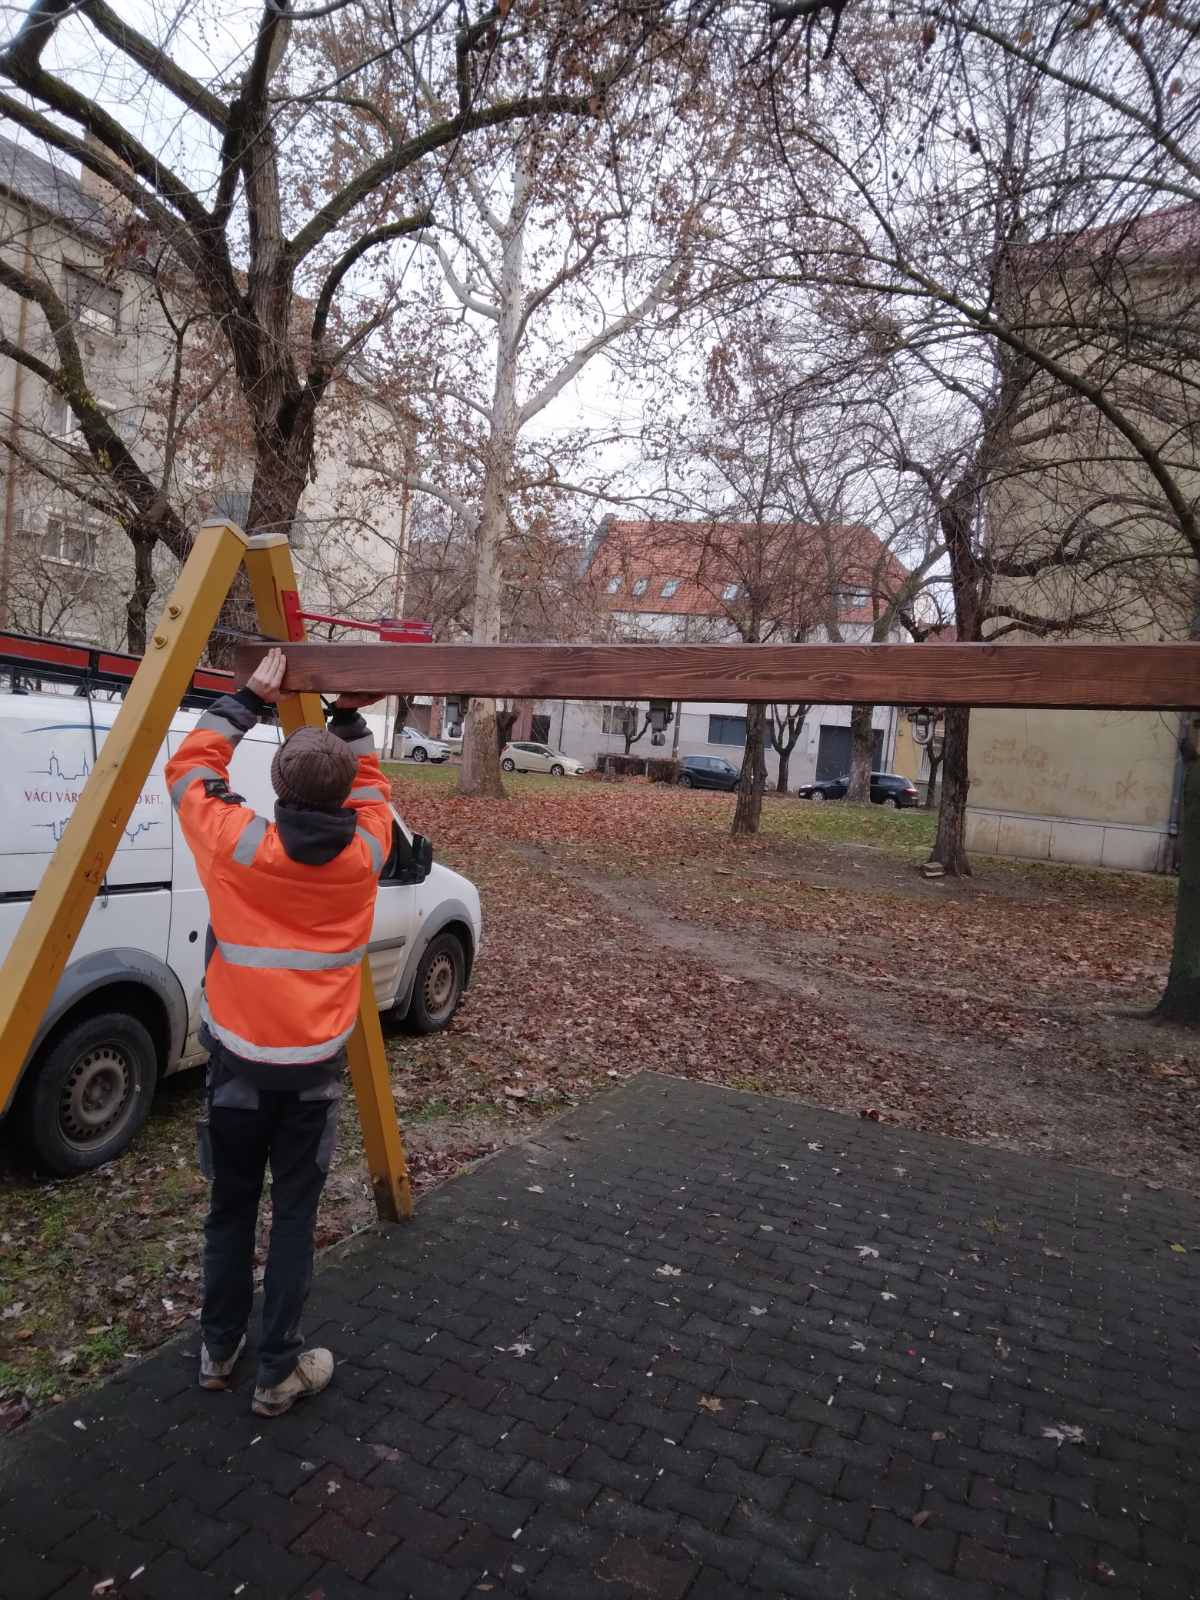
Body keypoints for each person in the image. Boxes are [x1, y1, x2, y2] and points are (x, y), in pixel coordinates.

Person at [164, 647, 390, 1417]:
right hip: (310, 1079)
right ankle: (277, 1373)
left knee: (229, 1209)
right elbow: (377, 790)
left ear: (276, 785)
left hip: (235, 1071)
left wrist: (244, 703)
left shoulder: (238, 843)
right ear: (346, 795)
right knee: (293, 1216)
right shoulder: (366, 852)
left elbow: (190, 771)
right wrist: (351, 719)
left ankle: (219, 1351)